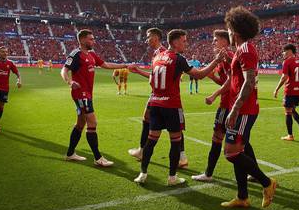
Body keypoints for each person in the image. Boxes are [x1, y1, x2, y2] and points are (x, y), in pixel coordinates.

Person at [130, 29, 225, 186]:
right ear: (174, 42)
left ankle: (142, 173)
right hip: (171, 106)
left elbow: (151, 81)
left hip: (155, 103)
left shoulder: (157, 57)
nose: (185, 43)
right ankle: (172, 177)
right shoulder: (178, 59)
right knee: (175, 141)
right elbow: (199, 75)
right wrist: (215, 61)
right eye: (183, 40)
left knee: (151, 140)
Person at [221, 6, 277, 209]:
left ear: (234, 31)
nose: (226, 31)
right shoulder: (240, 50)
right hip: (242, 109)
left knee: (231, 153)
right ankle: (243, 197)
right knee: (238, 152)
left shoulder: (245, 49)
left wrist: (235, 108)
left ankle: (267, 183)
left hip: (244, 110)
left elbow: (249, 81)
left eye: (228, 28)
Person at [62, 29, 129, 167]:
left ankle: (70, 154)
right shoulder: (76, 54)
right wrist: (69, 82)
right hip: (81, 94)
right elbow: (64, 70)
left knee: (81, 124)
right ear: (82, 40)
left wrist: (125, 65)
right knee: (92, 123)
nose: (93, 41)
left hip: (88, 94)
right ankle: (98, 158)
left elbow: (106, 65)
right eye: (91, 39)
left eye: (93, 38)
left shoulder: (92, 55)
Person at [192, 30, 234, 182]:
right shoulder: (223, 57)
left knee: (218, 138)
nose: (212, 42)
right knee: (240, 140)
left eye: (215, 39)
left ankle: (208, 174)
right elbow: (223, 81)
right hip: (230, 103)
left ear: (224, 41)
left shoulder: (227, 56)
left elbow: (231, 82)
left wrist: (214, 94)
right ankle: (254, 173)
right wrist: (210, 76)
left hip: (227, 104)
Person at [128, 27, 168, 160]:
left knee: (172, 126)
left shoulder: (162, 53)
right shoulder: (157, 53)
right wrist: (138, 71)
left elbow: (159, 77)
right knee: (169, 124)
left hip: (160, 93)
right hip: (157, 92)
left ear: (156, 37)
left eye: (148, 37)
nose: (146, 40)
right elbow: (153, 76)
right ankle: (181, 156)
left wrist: (138, 70)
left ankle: (142, 150)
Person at [273, 43, 299, 141]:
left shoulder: (287, 62)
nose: (283, 53)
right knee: (292, 110)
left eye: (284, 51)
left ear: (289, 51)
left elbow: (284, 77)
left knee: (288, 112)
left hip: (290, 90)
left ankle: (290, 135)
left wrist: (276, 89)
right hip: (298, 91)